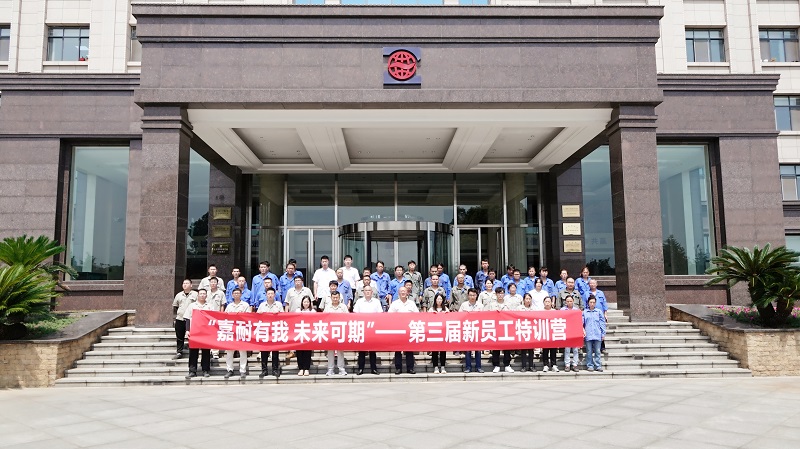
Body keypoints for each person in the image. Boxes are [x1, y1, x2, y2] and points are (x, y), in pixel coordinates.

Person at [388, 286, 419, 374]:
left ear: (407, 293)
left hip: (409, 330)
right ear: (398, 293)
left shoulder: (411, 303)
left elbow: (417, 315)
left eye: (404, 291)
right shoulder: (394, 304)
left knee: (409, 349)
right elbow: (389, 316)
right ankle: (398, 368)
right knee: (398, 349)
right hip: (398, 330)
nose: (403, 293)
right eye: (401, 291)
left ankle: (410, 368)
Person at [184, 288, 212, 378]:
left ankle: (205, 370)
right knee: (193, 352)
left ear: (206, 296)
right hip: (194, 332)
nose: (202, 295)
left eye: (204, 294)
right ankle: (192, 371)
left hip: (206, 332)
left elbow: (213, 319)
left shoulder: (210, 306)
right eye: (201, 294)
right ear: (198, 295)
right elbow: (187, 318)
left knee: (206, 352)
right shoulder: (192, 306)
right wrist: (187, 330)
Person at [353, 285, 382, 375]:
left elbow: (380, 314)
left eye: (369, 290)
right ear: (363, 292)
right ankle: (360, 368)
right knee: (361, 350)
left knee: (372, 350)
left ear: (372, 292)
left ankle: (374, 368)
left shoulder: (376, 302)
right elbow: (355, 314)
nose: (368, 292)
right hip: (362, 328)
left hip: (373, 329)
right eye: (366, 290)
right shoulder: (359, 301)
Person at [223, 288, 251, 379]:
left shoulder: (245, 305)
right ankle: (229, 370)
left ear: (241, 294)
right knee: (229, 352)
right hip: (231, 331)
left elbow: (249, 317)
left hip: (241, 330)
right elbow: (224, 317)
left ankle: (242, 370)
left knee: (242, 352)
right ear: (232, 295)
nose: (236, 294)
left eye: (238, 293)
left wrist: (241, 315)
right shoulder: (229, 306)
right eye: (235, 293)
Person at [256, 288, 283, 379]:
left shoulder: (278, 305)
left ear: (275, 295)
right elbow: (256, 318)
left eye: (272, 293)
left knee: (275, 351)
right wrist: (259, 314)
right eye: (269, 294)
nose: (270, 295)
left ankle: (275, 369)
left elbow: (284, 317)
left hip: (275, 331)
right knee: (264, 351)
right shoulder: (262, 305)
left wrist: (278, 313)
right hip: (265, 331)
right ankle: (264, 370)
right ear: (266, 295)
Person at [487, 288, 514, 374]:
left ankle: (507, 364)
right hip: (496, 328)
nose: (500, 295)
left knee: (507, 347)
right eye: (498, 293)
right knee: (496, 347)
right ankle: (496, 365)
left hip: (506, 328)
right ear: (496, 294)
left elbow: (512, 314)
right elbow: (488, 315)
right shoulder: (492, 305)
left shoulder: (508, 304)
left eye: (502, 293)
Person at [323, 291, 349, 376]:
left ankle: (341, 369)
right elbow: (324, 318)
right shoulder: (327, 307)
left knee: (340, 351)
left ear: (339, 298)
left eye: (336, 297)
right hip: (330, 331)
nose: (335, 299)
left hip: (341, 331)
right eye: (333, 297)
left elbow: (348, 318)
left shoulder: (343, 307)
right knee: (330, 351)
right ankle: (330, 369)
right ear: (331, 298)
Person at [459, 288, 484, 373]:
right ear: (468, 296)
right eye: (470, 295)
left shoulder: (480, 306)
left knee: (478, 349)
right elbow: (459, 316)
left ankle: (478, 367)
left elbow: (484, 317)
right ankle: (468, 367)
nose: (472, 297)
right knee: (468, 349)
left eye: (474, 295)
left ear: (476, 296)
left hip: (477, 329)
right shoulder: (464, 305)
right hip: (467, 329)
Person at [172, 279, 197, 360]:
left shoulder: (195, 294)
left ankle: (192, 351)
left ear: (191, 285)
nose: (185, 285)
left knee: (192, 336)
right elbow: (176, 306)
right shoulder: (179, 295)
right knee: (179, 336)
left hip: (191, 319)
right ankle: (179, 352)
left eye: (187, 283)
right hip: (180, 318)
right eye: (184, 283)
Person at [583, 295, 606, 372]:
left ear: (595, 303)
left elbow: (602, 323)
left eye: (593, 302)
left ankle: (598, 365)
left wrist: (603, 333)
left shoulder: (598, 312)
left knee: (597, 351)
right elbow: (582, 323)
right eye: (591, 302)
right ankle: (590, 365)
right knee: (589, 351)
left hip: (597, 333)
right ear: (588, 303)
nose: (592, 304)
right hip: (588, 334)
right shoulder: (585, 312)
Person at [588, 278, 610, 353]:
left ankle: (602, 347)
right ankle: (593, 348)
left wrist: (605, 313)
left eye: (594, 283)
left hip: (599, 313)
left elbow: (604, 303)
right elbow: (584, 304)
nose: (592, 285)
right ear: (589, 284)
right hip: (590, 313)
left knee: (600, 329)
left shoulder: (600, 293)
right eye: (591, 283)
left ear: (596, 284)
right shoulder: (586, 293)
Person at [429, 293, 449, 374]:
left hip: (443, 332)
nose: (439, 301)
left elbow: (449, 319)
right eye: (438, 299)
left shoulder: (446, 309)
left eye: (441, 299)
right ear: (435, 300)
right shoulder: (431, 309)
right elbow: (427, 319)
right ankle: (436, 366)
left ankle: (443, 366)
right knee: (435, 350)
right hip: (434, 332)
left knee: (443, 350)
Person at [295, 296, 315, 376]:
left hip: (308, 333)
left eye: (307, 302)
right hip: (299, 333)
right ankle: (301, 368)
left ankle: (306, 368)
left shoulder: (312, 311)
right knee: (299, 351)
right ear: (302, 303)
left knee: (307, 351)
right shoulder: (298, 310)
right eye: (304, 302)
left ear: (310, 303)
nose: (306, 303)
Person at [561, 295, 582, 372]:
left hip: (574, 332)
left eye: (571, 301)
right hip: (566, 331)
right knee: (567, 349)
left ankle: (575, 364)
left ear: (573, 301)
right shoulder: (562, 310)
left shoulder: (576, 310)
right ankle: (567, 365)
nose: (569, 302)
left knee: (575, 350)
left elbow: (579, 321)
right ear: (565, 302)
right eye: (568, 301)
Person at [517, 293, 536, 372]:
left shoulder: (534, 309)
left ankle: (531, 366)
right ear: (523, 300)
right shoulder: (519, 308)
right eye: (526, 299)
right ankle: (524, 366)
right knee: (523, 349)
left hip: (531, 330)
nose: (528, 300)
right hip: (522, 330)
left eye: (529, 299)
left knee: (531, 350)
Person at [541, 297, 559, 372]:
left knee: (553, 350)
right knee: (545, 350)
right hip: (545, 332)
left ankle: (554, 365)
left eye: (549, 301)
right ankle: (545, 365)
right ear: (543, 302)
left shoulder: (554, 311)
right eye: (546, 301)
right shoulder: (540, 312)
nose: (547, 303)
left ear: (551, 303)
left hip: (553, 332)